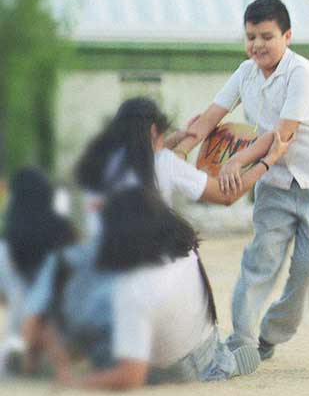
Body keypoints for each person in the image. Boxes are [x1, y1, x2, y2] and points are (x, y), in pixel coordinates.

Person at [20, 97, 290, 373]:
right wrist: (269, 161)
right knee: (188, 277)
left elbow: (150, 164)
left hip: (107, 303)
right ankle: (219, 359)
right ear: (153, 133)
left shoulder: (96, 167)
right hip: (161, 304)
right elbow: (225, 195)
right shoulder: (163, 164)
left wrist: (176, 143)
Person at [176, 0, 309, 362]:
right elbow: (211, 116)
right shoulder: (245, 72)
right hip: (275, 183)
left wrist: (237, 161)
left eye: (266, 36)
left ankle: (270, 335)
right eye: (250, 36)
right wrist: (178, 148)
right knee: (260, 260)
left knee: (307, 270)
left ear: (287, 36)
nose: (257, 44)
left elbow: (282, 133)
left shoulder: (302, 73)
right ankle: (243, 339)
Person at [46, 188, 254, 389]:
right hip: (206, 343)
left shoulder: (135, 288)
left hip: (173, 371)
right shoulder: (183, 246)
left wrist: (75, 383)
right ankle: (222, 362)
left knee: (98, 335)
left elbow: (130, 376)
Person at [0, 168, 76, 373]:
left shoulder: (10, 242)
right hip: (65, 333)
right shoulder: (65, 230)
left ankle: (22, 351)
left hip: (22, 326)